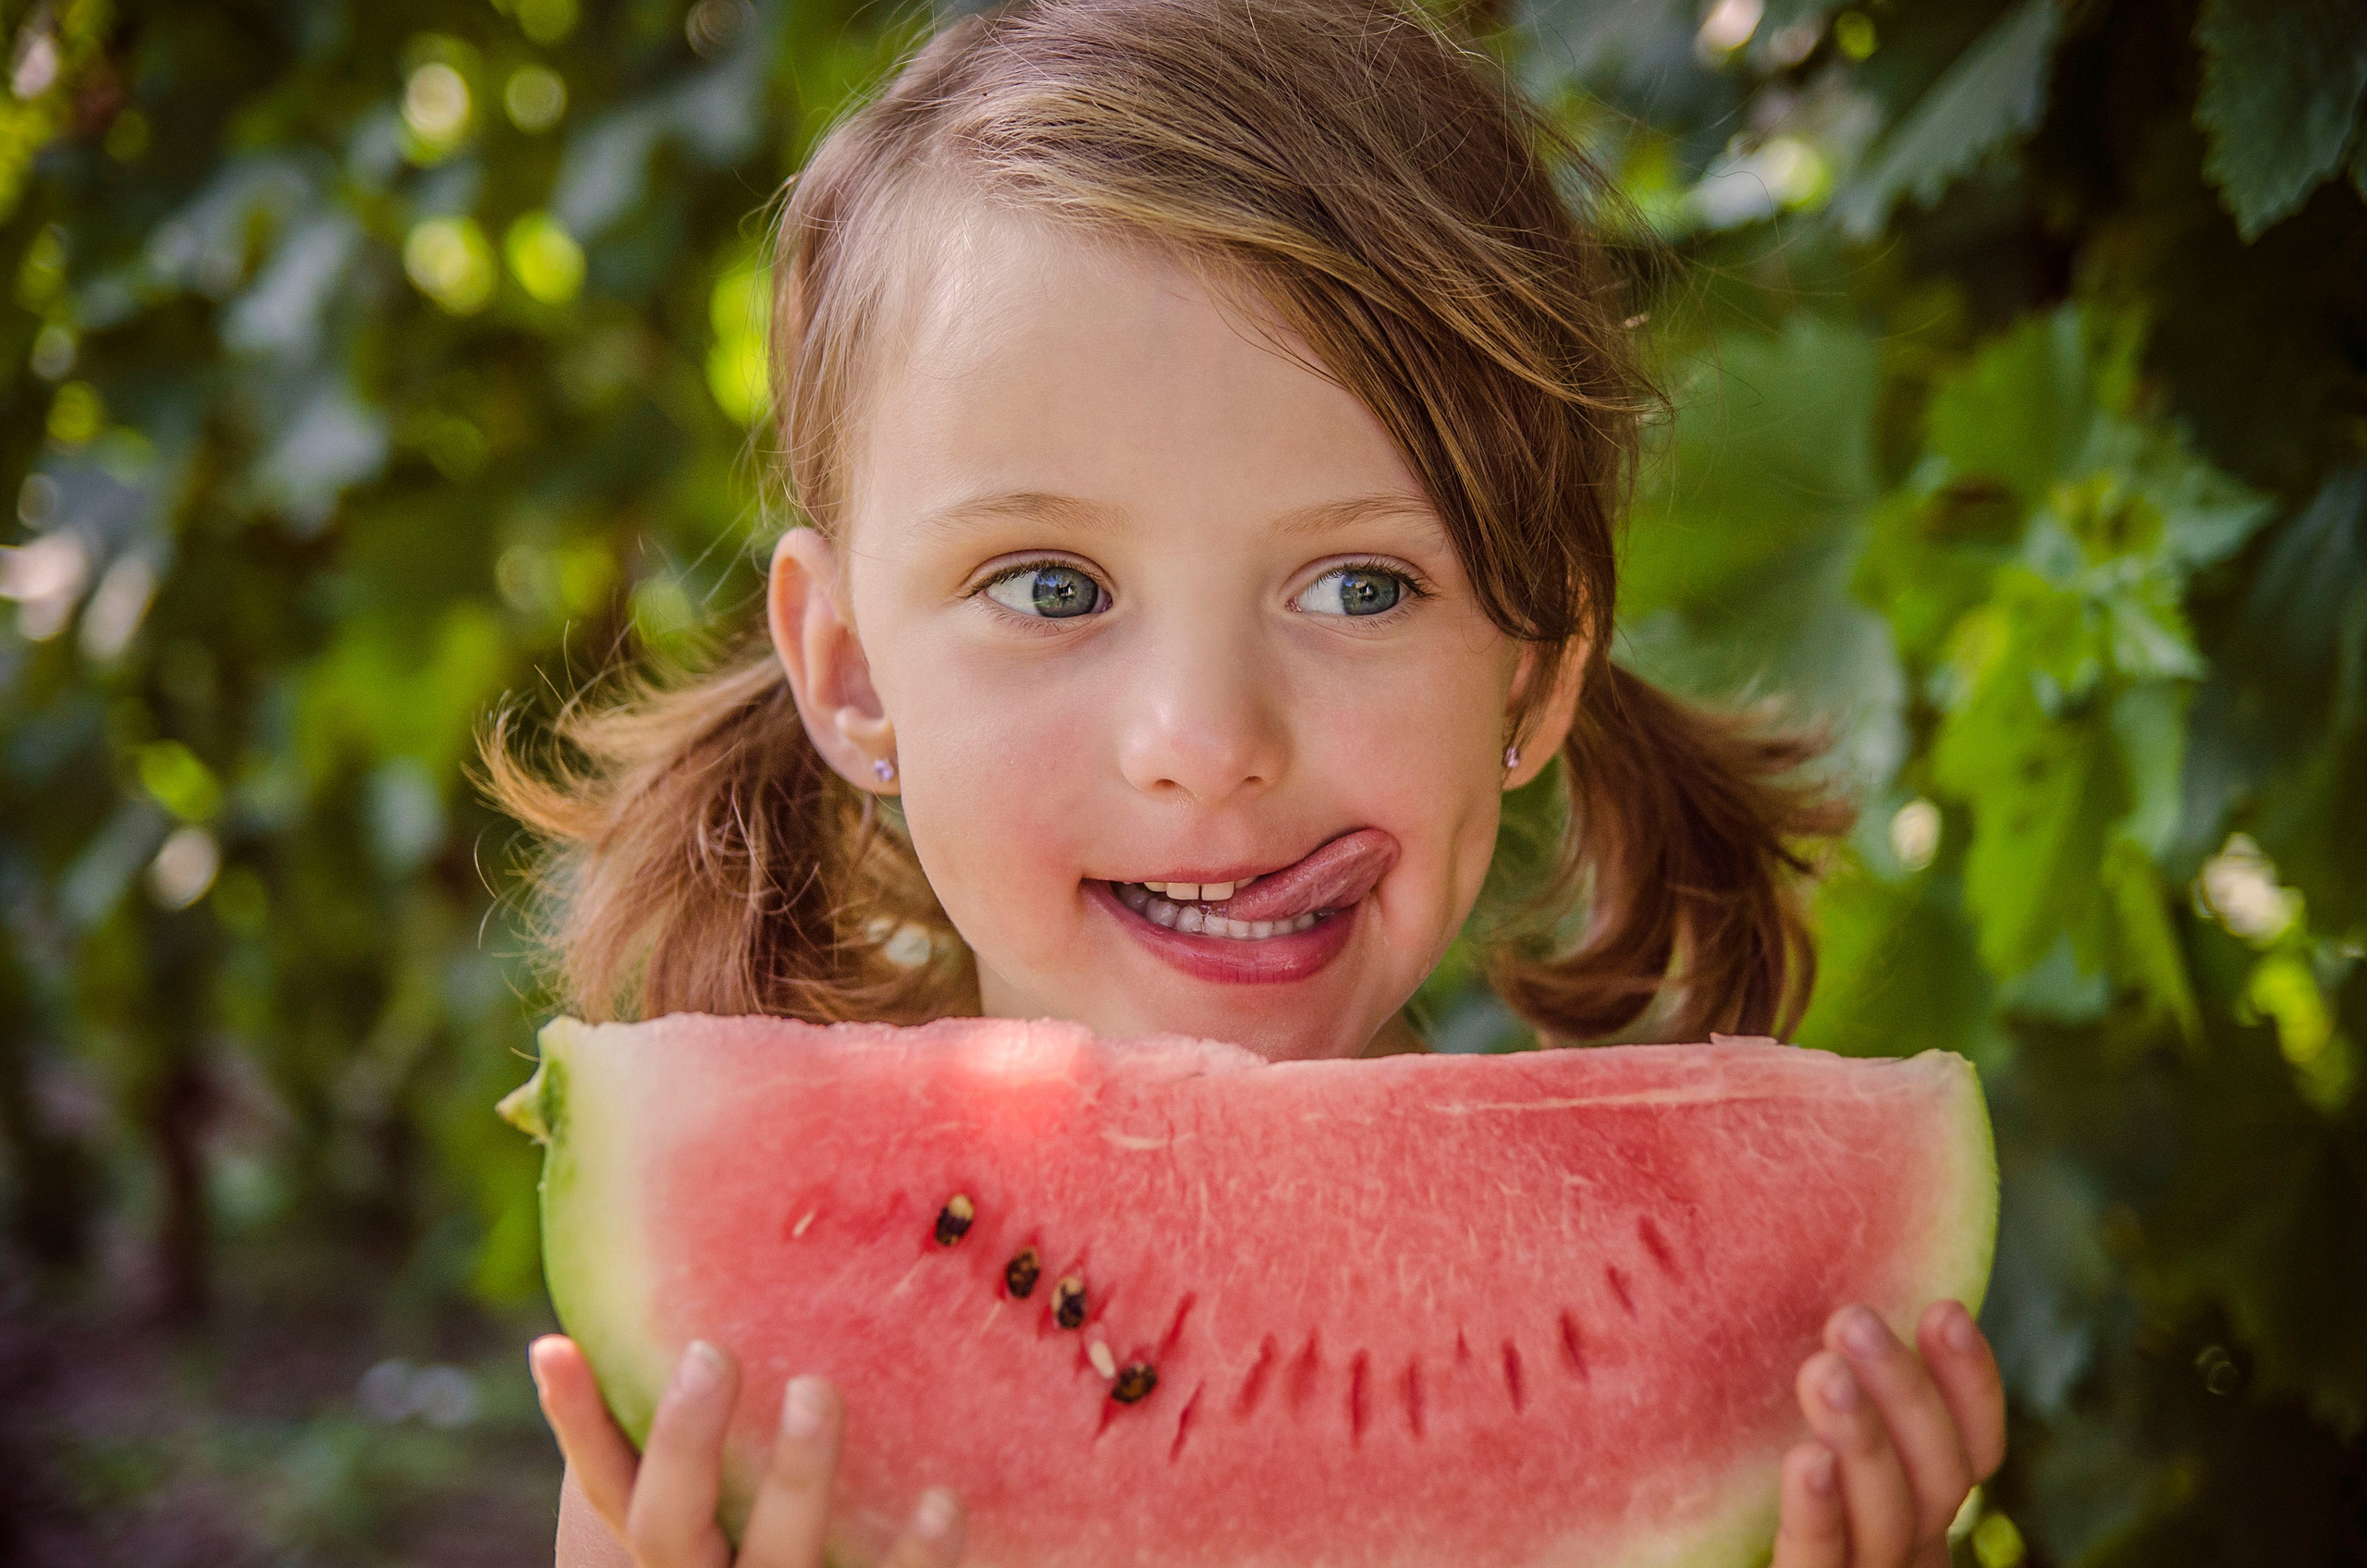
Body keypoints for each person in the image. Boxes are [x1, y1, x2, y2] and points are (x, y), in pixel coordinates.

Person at [484, 0, 2007, 1562]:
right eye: (1053, 588)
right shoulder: (727, 1417)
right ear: (854, 671)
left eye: (1358, 588)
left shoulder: (1757, 1383)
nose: (1207, 740)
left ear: (1537, 668)